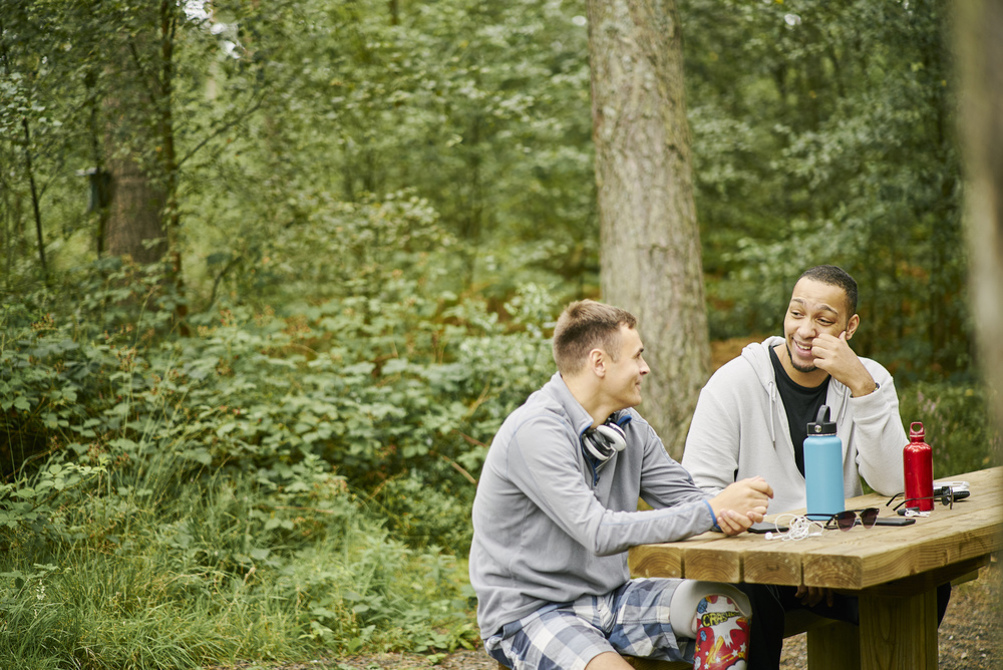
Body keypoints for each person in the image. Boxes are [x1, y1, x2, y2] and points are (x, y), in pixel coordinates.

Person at [469, 299, 774, 670]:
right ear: (599, 363)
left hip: (612, 598)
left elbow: (686, 499)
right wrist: (710, 510)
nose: (645, 368)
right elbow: (597, 532)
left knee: (728, 608)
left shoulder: (629, 426)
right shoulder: (537, 430)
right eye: (637, 357)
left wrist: (733, 511)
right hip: (532, 612)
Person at [681, 264, 949, 669]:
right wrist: (795, 560)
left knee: (926, 582)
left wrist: (862, 388)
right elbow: (700, 494)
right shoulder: (733, 383)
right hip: (761, 564)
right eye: (796, 313)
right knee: (750, 599)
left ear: (849, 327)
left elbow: (896, 485)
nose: (805, 330)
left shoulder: (869, 379)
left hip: (842, 560)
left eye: (824, 320)